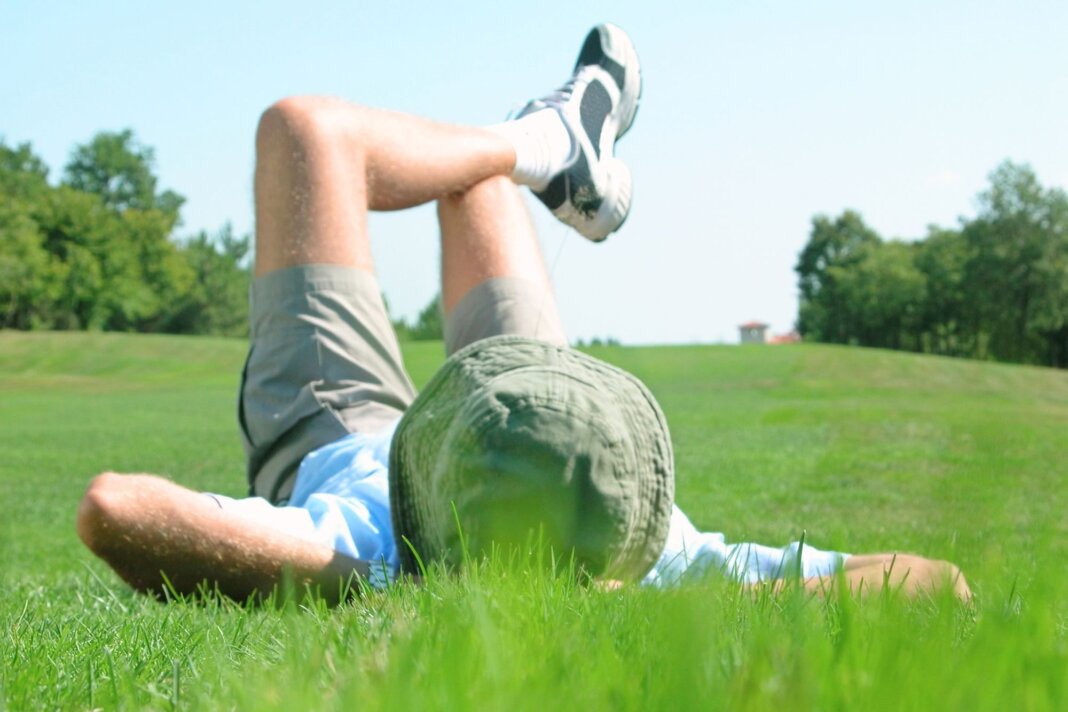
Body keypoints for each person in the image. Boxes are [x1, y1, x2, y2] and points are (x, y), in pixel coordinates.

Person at [76, 24, 970, 603]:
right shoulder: (652, 551)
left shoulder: (378, 537)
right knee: (466, 182)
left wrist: (360, 578)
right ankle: (543, 147)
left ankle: (543, 143)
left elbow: (114, 509)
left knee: (310, 129)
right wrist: (653, 597)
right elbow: (939, 583)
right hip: (541, 400)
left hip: (344, 429)